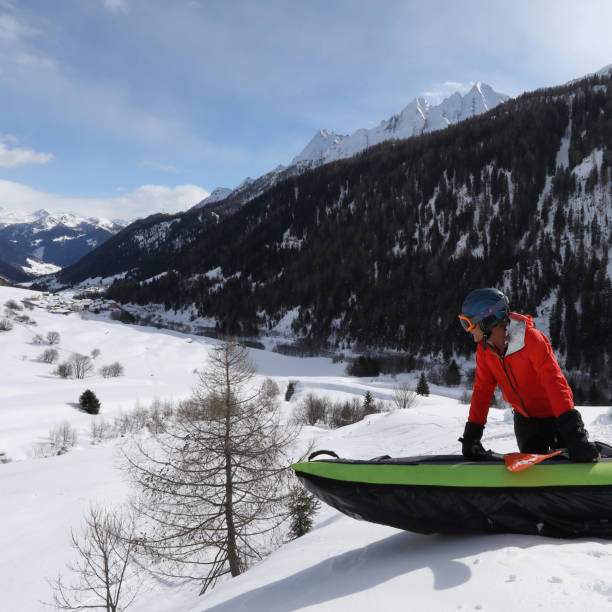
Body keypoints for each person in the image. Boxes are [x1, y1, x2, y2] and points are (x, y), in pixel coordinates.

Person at [458, 287, 599, 462]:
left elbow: (555, 384)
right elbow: (482, 391)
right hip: (526, 423)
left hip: (556, 418)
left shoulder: (530, 339)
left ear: (487, 319)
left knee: (569, 466)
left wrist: (574, 435)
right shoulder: (485, 350)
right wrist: (472, 434)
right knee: (534, 478)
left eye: (468, 323)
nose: (467, 330)